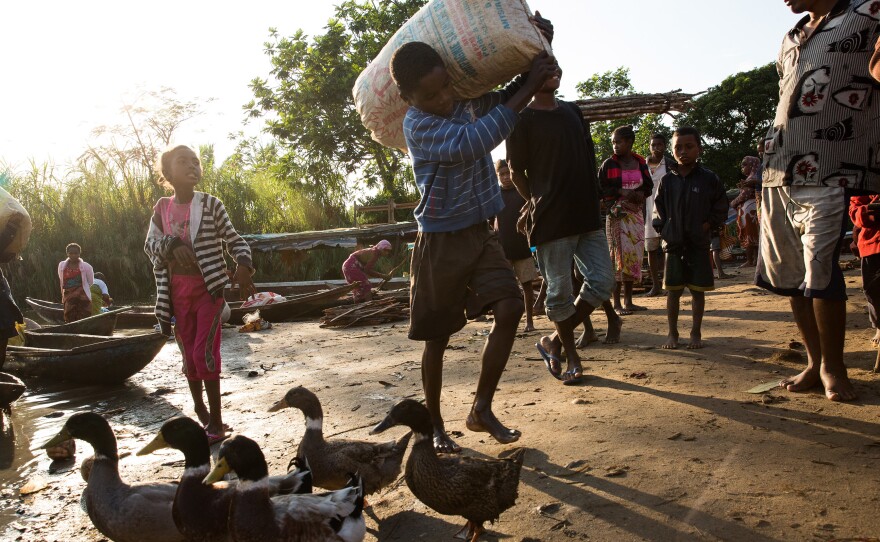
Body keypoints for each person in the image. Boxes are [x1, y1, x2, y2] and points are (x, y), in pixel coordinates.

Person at [390, 19, 556, 453]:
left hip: (482, 232)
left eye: (446, 87)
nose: (443, 99)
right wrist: (525, 90)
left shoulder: (466, 102)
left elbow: (505, 99)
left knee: (508, 308)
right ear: (409, 99)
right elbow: (476, 139)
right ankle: (436, 426)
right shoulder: (418, 126)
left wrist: (539, 50)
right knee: (437, 339)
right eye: (430, 95)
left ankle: (481, 409)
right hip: (440, 241)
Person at [758, 0, 880, 401]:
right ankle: (813, 360)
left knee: (820, 268)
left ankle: (834, 365)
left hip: (832, 164)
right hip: (778, 169)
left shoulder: (868, 12)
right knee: (792, 274)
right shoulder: (789, 38)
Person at [506, 68, 617, 385]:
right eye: (544, 66)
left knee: (601, 280)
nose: (553, 70)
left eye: (555, 64)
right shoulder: (521, 119)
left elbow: (587, 155)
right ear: (529, 76)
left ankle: (552, 342)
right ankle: (571, 356)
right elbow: (516, 172)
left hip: (586, 213)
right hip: (551, 219)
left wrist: (595, 197)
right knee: (559, 292)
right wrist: (536, 201)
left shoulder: (572, 110)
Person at [144, 144, 256, 442]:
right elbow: (150, 245)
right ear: (168, 172)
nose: (193, 166)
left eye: (196, 162)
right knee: (188, 356)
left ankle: (216, 423)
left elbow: (234, 240)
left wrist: (243, 263)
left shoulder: (211, 204)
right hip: (175, 294)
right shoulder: (162, 209)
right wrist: (171, 245)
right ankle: (200, 409)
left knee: (203, 352)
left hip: (209, 291)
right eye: (184, 162)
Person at [654, 127, 729, 350]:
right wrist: (665, 230)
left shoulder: (709, 179)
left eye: (689, 146)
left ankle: (696, 332)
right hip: (674, 245)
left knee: (698, 291)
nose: (683, 151)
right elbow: (659, 211)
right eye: (678, 147)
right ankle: (672, 333)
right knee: (673, 292)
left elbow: (721, 207)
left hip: (698, 244)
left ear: (699, 149)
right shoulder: (667, 181)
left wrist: (706, 226)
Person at [598, 125, 653, 315]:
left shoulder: (640, 162)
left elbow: (649, 186)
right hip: (616, 216)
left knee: (633, 258)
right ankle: (617, 304)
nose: (615, 145)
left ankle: (628, 301)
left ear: (629, 142)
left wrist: (639, 194)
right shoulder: (609, 164)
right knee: (616, 258)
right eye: (613, 142)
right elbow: (601, 188)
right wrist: (621, 191)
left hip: (635, 215)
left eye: (618, 142)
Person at [494, 160, 538, 333]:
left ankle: (529, 321)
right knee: (504, 288)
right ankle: (504, 323)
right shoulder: (495, 195)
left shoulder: (523, 193)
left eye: (507, 173)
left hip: (523, 248)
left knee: (527, 286)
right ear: (497, 176)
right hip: (502, 250)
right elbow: (491, 221)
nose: (505, 177)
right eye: (501, 174)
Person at [645, 133, 676, 297]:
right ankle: (655, 285)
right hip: (647, 213)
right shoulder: (641, 165)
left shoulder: (671, 165)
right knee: (651, 250)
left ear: (665, 146)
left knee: (667, 249)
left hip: (666, 213)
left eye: (659, 145)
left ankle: (667, 284)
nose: (656, 148)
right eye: (653, 145)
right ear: (649, 147)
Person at [849, 196, 880, 346]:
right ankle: (879, 326)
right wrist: (872, 209)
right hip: (872, 243)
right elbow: (855, 212)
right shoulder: (867, 181)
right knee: (873, 290)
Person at [731, 157, 760, 267]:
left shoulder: (751, 179)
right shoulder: (756, 178)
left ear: (752, 165)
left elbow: (744, 195)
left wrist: (733, 203)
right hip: (753, 211)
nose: (742, 168)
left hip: (748, 213)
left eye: (744, 165)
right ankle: (755, 259)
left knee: (749, 236)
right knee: (755, 236)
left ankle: (749, 260)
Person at [57, 243, 94, 323]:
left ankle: (84, 327)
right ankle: (72, 326)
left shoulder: (86, 266)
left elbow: (91, 282)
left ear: (79, 254)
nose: (73, 255)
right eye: (71, 253)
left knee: (84, 312)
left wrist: (80, 290)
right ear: (67, 254)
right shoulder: (62, 265)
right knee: (69, 312)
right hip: (68, 293)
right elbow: (61, 279)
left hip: (82, 294)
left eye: (76, 253)